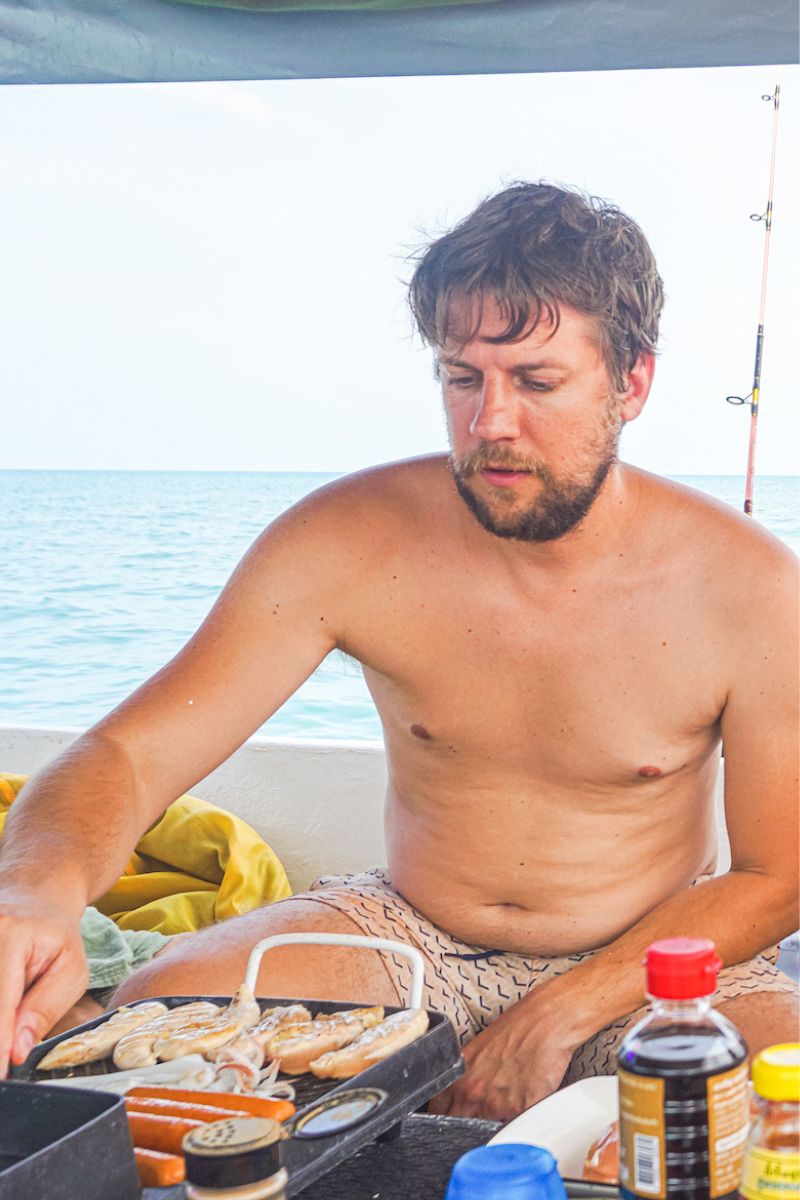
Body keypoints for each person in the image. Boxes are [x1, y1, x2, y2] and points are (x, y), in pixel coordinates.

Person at [0, 182, 796, 1120]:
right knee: (134, 1027)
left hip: (647, 956)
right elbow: (126, 757)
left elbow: (775, 875)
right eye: (462, 379)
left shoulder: (753, 587)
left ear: (631, 383)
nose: (490, 422)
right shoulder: (348, 539)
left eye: (537, 381)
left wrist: (557, 1011)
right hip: (404, 930)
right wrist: (36, 893)